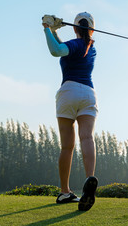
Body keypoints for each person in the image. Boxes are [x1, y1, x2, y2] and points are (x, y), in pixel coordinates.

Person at [42, 12, 99, 211]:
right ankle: (89, 180)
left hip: (68, 92)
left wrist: (47, 28)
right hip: (88, 93)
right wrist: (55, 31)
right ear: (91, 28)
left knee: (67, 147)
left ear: (75, 28)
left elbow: (57, 51)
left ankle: (65, 191)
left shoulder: (74, 44)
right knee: (87, 138)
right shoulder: (92, 49)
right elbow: (64, 47)